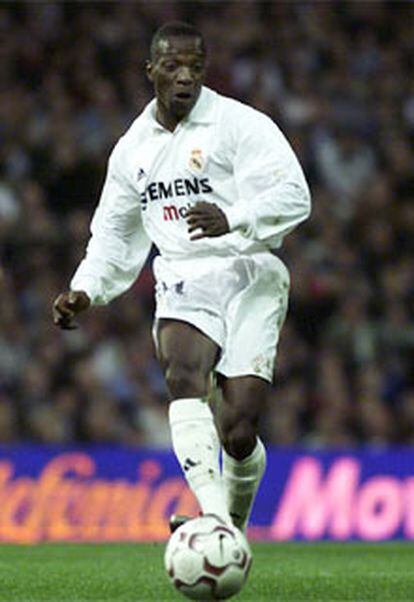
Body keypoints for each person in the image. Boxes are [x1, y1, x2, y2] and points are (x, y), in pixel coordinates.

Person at [52, 21, 311, 533]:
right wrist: (85, 289)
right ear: (150, 71)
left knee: (238, 431)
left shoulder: (241, 125)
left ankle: (229, 527)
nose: (184, 76)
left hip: (249, 271)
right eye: (172, 66)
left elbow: (295, 197)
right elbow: (113, 234)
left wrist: (232, 217)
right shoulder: (133, 149)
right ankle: (214, 520)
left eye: (194, 65)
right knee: (183, 378)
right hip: (182, 275)